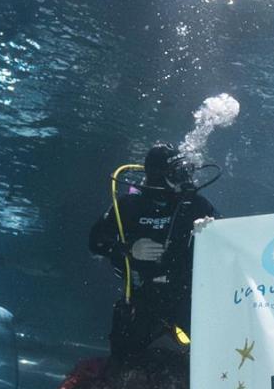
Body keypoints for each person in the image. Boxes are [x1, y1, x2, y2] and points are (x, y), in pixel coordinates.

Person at [88, 143, 219, 358]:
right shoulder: (129, 206)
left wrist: (213, 231)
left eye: (187, 171)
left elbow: (229, 241)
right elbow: (96, 241)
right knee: (127, 359)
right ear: (158, 175)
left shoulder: (196, 205)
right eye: (177, 174)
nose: (186, 180)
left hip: (186, 296)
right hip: (142, 296)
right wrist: (128, 249)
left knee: (199, 354)